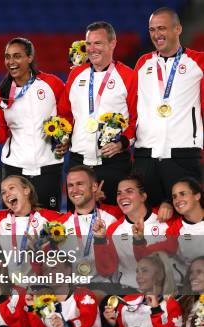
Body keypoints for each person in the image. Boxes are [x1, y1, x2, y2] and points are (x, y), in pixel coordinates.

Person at [58, 22, 136, 209]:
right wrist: (64, 138)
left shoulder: (128, 76)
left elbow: (137, 119)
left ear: (112, 43)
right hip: (78, 162)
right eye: (88, 43)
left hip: (113, 162)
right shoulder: (76, 74)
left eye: (98, 43)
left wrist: (122, 143)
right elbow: (65, 114)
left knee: (113, 222)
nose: (91, 49)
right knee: (77, 223)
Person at [133, 7, 204, 207]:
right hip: (146, 155)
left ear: (178, 29)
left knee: (188, 216)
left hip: (183, 154)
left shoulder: (198, 62)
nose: (156, 35)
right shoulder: (142, 63)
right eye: (152, 29)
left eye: (162, 28)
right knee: (149, 218)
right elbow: (132, 106)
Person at [0, 38, 65, 211]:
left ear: (30, 58)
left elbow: (67, 117)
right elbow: (0, 136)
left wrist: (65, 140)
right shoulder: (2, 92)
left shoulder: (52, 84)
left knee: (49, 222)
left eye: (17, 56)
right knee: (15, 224)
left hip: (48, 166)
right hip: (15, 168)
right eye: (7, 57)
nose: (11, 62)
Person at [93, 174, 177, 289]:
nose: (122, 197)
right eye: (119, 193)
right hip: (129, 294)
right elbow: (106, 270)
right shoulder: (114, 229)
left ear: (143, 196)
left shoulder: (166, 219)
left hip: (164, 291)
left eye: (129, 191)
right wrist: (99, 240)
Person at [0, 175, 62, 278]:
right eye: (3, 192)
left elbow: (79, 218)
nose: (7, 194)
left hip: (39, 286)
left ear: (26, 190)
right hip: (7, 286)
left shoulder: (49, 218)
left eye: (11, 188)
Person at [60, 165, 122, 284]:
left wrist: (166, 204)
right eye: (70, 185)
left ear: (94, 186)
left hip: (108, 292)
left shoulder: (115, 215)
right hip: (74, 293)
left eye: (80, 184)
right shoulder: (59, 224)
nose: (74, 190)